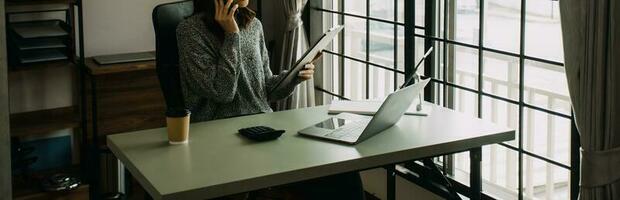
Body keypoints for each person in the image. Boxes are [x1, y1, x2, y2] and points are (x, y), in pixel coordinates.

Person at [176, 0, 365, 199]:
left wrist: (294, 77)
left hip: (264, 130)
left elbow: (266, 89)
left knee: (343, 172)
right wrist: (231, 36)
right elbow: (223, 92)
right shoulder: (190, 31)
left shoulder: (253, 24)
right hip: (219, 136)